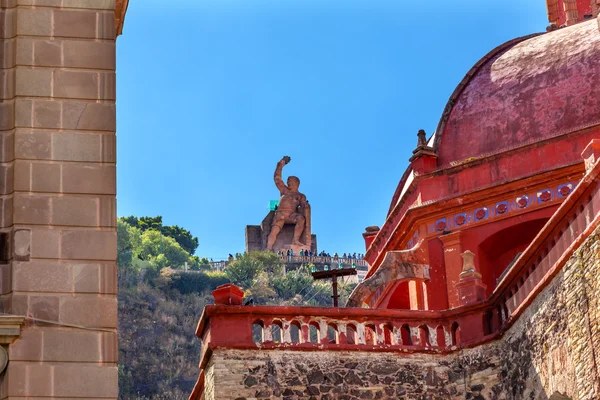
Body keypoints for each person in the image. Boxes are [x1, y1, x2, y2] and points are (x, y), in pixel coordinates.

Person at [266, 156, 310, 250]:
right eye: (288, 181)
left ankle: (295, 240)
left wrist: (306, 206)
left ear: (297, 183)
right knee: (274, 232)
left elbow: (303, 206)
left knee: (301, 219)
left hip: (291, 215)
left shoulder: (300, 195)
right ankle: (268, 248)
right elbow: (277, 178)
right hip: (280, 214)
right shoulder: (284, 190)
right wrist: (281, 164)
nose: (288, 182)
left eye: (290, 181)